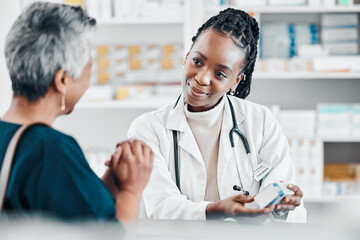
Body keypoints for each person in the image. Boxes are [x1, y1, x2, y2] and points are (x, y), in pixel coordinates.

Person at [128, 8, 306, 222]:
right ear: (186, 56)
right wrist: (216, 210)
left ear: (235, 82)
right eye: (197, 61)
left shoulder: (261, 122)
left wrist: (281, 209)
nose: (202, 78)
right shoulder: (148, 129)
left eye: (220, 73)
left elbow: (286, 208)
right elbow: (161, 207)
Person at [0, 2, 153, 223]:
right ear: (62, 80)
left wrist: (112, 182)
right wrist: (131, 190)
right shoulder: (50, 150)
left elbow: (75, 210)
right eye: (89, 67)